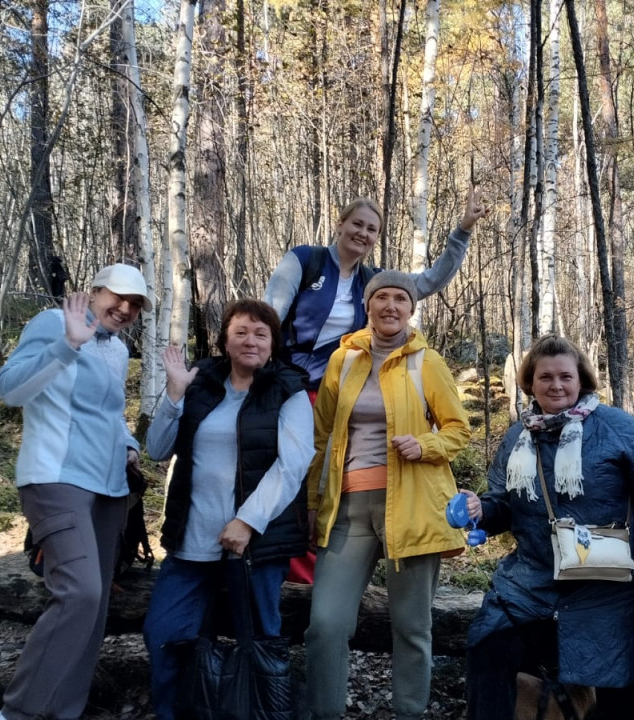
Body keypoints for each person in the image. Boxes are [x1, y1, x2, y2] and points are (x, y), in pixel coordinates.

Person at [460, 335, 634, 720]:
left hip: (609, 581)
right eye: (545, 377)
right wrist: (480, 510)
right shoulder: (517, 437)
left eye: (565, 377)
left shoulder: (616, 426)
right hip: (533, 580)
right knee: (489, 648)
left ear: (581, 380)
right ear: (530, 382)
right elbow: (502, 505)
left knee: (617, 679)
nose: (556, 385)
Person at [303, 270, 472, 720]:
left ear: (411, 309)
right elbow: (321, 436)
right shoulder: (343, 360)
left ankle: (409, 713)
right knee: (325, 624)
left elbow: (458, 430)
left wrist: (426, 444)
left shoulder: (426, 362)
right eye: (382, 297)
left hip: (413, 506)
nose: (390, 306)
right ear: (367, 305)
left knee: (412, 626)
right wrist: (313, 503)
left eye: (400, 298)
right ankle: (324, 713)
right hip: (348, 509)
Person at [0, 263, 151, 720]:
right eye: (117, 297)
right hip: (56, 479)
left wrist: (129, 445)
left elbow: (109, 413)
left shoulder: (117, 349)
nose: (124, 309)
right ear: (94, 291)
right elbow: (10, 390)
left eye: (135, 304)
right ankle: (18, 713)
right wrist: (68, 344)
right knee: (79, 593)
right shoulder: (53, 323)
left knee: (94, 607)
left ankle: (64, 711)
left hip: (109, 489)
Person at [140, 299, 314, 720]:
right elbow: (157, 449)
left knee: (259, 644)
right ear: (224, 340)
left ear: (273, 344)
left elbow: (292, 465)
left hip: (255, 546)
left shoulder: (288, 389)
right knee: (164, 634)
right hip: (191, 540)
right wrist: (175, 394)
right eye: (241, 332)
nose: (250, 341)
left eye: (260, 334)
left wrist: (247, 521)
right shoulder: (200, 382)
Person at [263, 187, 488, 392]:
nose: (363, 233)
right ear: (340, 224)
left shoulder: (370, 281)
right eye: (357, 224)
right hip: (284, 383)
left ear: (375, 238)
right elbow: (268, 318)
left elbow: (428, 281)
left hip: (334, 389)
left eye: (371, 229)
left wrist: (463, 231)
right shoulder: (305, 260)